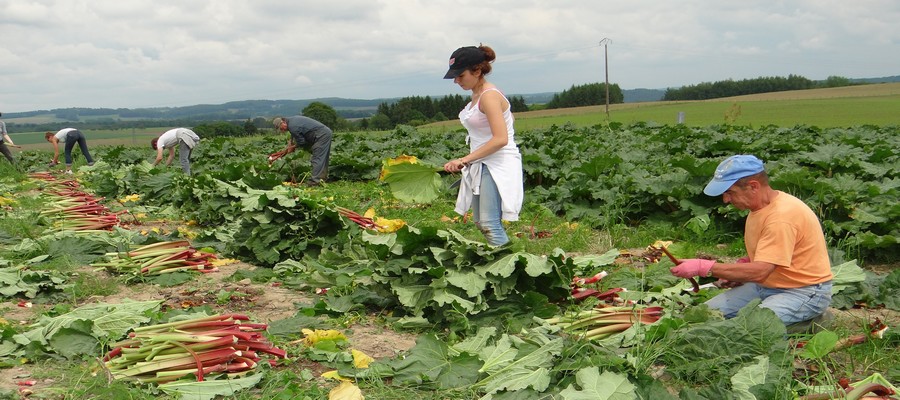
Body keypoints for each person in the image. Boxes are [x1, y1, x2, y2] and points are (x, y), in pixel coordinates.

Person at [670, 154, 833, 327]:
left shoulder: (781, 217)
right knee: (705, 316)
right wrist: (739, 271)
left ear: (753, 186)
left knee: (752, 327)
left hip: (803, 291)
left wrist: (704, 267)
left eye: (730, 192)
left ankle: (813, 321)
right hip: (765, 285)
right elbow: (771, 255)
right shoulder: (759, 209)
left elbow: (760, 271)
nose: (726, 200)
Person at [441, 45, 523, 247]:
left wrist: (464, 160)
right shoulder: (478, 95)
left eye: (460, 75)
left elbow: (501, 138)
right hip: (482, 162)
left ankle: (510, 270)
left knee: (489, 222)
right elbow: (509, 117)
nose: (456, 81)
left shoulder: (489, 95)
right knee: (480, 221)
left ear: (477, 71)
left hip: (498, 163)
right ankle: (503, 263)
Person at [271, 115, 332, 186]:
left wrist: (293, 147)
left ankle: (315, 181)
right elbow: (296, 136)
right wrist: (291, 145)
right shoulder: (291, 121)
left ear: (283, 122)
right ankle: (322, 178)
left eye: (281, 129)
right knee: (323, 158)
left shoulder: (292, 126)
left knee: (317, 158)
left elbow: (302, 142)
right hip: (325, 133)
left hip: (321, 135)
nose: (282, 130)